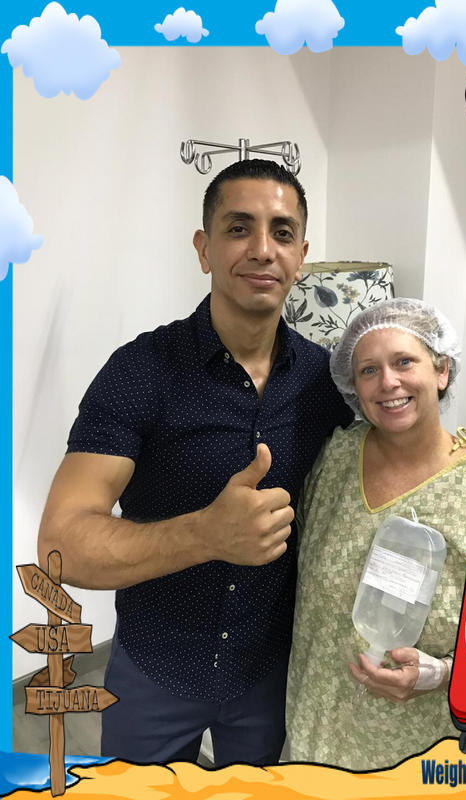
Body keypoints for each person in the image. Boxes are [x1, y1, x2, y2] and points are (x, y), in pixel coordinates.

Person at [37, 159, 353, 767]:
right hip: (154, 671)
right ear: (204, 249)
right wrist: (206, 534)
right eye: (239, 228)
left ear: (301, 256)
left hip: (270, 675)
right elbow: (61, 545)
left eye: (282, 232)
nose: (262, 249)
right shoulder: (140, 371)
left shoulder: (326, 383)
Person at [286, 297, 466, 770]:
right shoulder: (333, 460)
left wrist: (440, 674)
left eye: (404, 362)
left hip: (418, 754)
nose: (388, 382)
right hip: (316, 733)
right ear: (353, 386)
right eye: (369, 370)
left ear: (441, 370)